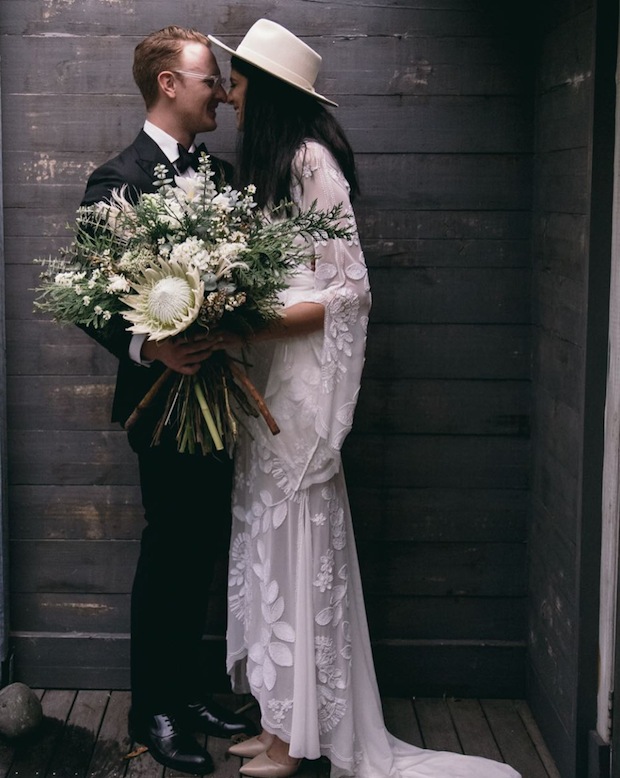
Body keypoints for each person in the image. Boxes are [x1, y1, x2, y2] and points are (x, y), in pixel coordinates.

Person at [206, 19, 522, 778]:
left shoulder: (313, 162)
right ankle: (279, 719)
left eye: (241, 83)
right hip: (266, 386)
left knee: (296, 545)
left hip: (302, 392)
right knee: (267, 547)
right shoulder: (276, 166)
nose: (231, 95)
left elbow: (348, 292)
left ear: (270, 92)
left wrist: (243, 318)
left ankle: (295, 738)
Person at [80, 26, 254, 776]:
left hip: (214, 395)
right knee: (170, 548)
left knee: (207, 542)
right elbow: (90, 301)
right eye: (207, 77)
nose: (218, 89)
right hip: (159, 398)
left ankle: (191, 691)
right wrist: (151, 348)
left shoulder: (214, 174)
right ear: (168, 86)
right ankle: (151, 707)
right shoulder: (113, 179)